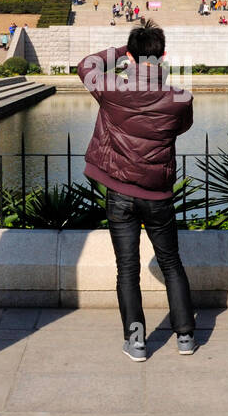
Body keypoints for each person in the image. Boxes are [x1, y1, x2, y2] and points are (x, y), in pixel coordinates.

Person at [77, 23, 197, 361]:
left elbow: (86, 65)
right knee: (172, 262)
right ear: (163, 57)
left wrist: (121, 52)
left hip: (120, 191)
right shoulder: (180, 98)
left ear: (130, 56)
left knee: (126, 269)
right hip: (158, 194)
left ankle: (137, 341)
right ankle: (185, 336)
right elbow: (182, 127)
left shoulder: (112, 89)